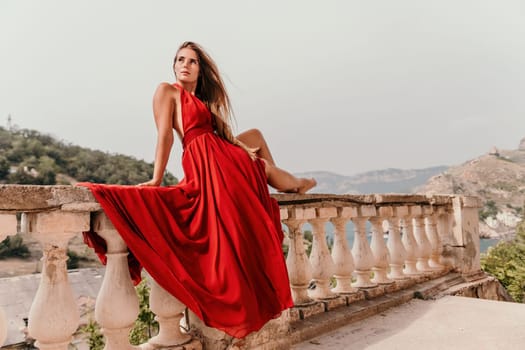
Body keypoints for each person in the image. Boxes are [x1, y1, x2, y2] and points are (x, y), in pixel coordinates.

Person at [79, 41, 316, 339]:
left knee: (256, 140)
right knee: (262, 168)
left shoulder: (202, 101)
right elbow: (165, 135)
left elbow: (220, 134)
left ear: (200, 69)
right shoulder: (167, 91)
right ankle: (296, 183)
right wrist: (156, 179)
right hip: (205, 160)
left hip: (220, 153)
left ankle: (278, 184)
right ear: (174, 65)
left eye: (192, 61)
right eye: (180, 59)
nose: (185, 65)